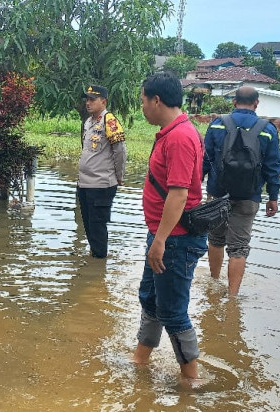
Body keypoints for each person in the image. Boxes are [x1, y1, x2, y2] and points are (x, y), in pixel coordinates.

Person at [132, 72, 207, 380]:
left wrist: (160, 240)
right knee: (150, 298)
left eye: (143, 101)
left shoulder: (179, 137)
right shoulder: (171, 131)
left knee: (173, 311)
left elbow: (179, 194)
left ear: (156, 100)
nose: (142, 108)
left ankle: (191, 380)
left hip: (174, 240)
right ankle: (140, 360)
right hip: (163, 236)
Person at [203, 86, 280, 296]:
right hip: (249, 196)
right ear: (256, 103)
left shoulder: (218, 123)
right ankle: (232, 297)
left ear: (233, 102)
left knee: (216, 240)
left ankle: (213, 283)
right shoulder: (268, 129)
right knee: (239, 248)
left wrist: (195, 187)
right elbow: (273, 166)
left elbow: (205, 159)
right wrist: (273, 197)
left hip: (217, 193)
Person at [76, 84, 127, 258]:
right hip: (84, 183)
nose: (88, 103)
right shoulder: (89, 121)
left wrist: (119, 176)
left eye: (92, 99)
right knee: (89, 226)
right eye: (87, 99)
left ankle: (98, 269)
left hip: (101, 184)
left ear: (103, 102)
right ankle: (94, 263)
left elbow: (120, 151)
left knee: (97, 228)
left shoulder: (109, 120)